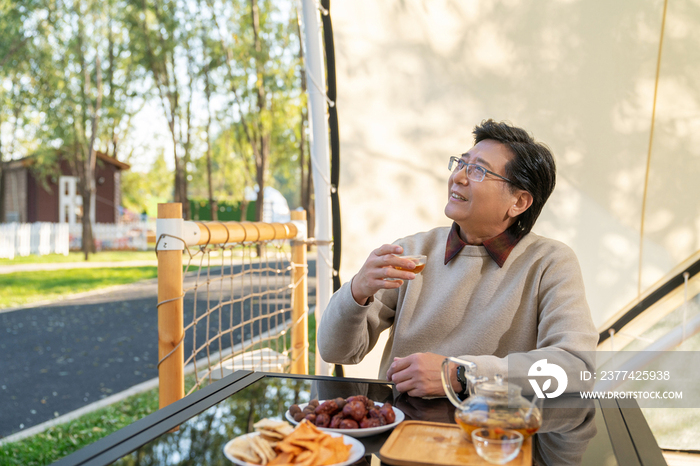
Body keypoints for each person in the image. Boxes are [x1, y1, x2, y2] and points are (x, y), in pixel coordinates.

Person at [317, 119, 598, 398]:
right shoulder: (412, 251)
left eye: (478, 170)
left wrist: (460, 374)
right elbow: (336, 352)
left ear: (519, 202)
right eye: (461, 164)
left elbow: (575, 368)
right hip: (401, 427)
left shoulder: (549, 262)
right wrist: (356, 291)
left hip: (494, 433)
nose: (459, 177)